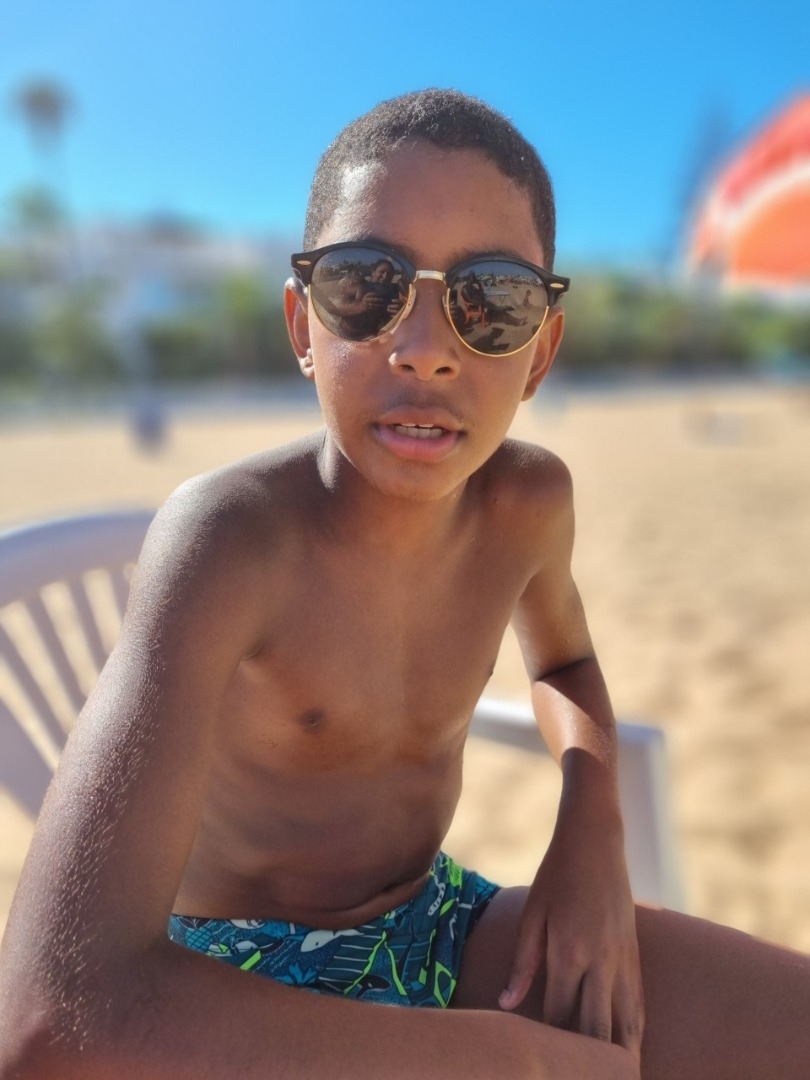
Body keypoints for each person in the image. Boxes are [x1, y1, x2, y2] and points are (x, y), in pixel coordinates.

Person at [1, 89, 809, 1080]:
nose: (425, 349)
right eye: (365, 286)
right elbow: (51, 1017)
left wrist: (590, 823)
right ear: (303, 326)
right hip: (229, 976)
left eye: (492, 301)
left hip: (436, 928)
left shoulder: (527, 506)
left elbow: (564, 661)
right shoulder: (230, 542)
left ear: (541, 352)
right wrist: (507, 1061)